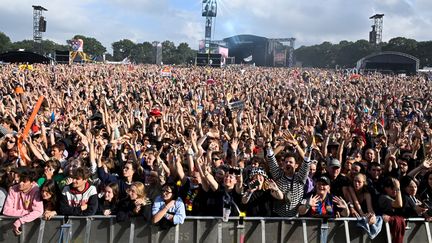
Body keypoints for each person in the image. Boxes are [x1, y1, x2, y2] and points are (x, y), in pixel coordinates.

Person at [2, 167, 43, 235]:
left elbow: (38, 211)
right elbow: (6, 210)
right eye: (20, 180)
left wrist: (20, 221)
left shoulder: (36, 190)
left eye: (24, 181)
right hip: (12, 230)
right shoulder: (13, 189)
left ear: (32, 182)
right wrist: (27, 213)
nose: (20, 183)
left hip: (32, 230)